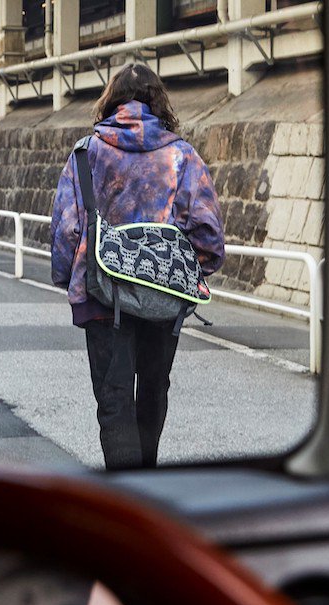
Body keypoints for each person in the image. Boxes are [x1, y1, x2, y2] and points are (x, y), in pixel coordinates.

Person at [50, 64, 225, 470]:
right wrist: (180, 268)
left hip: (101, 293)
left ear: (110, 101)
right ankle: (149, 484)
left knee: (114, 402)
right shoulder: (183, 156)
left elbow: (67, 228)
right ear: (157, 101)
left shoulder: (86, 153)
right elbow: (208, 236)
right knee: (152, 392)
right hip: (163, 298)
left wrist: (70, 279)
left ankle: (126, 492)